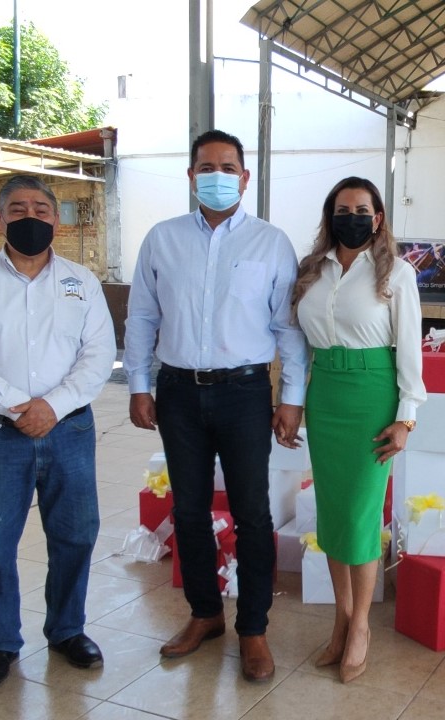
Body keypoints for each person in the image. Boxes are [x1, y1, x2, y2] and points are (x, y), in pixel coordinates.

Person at [124, 129, 309, 682]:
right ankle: (205, 614)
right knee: (189, 510)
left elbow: (288, 327)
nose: (218, 176)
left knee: (252, 513)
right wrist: (139, 384)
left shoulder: (270, 243)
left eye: (229, 168)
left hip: (245, 393)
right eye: (207, 167)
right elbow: (142, 317)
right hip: (178, 392)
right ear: (191, 176)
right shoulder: (162, 239)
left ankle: (253, 628)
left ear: (245, 178)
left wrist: (291, 398)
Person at [0, 174, 116, 691]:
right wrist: (17, 406)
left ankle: (67, 630)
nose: (31, 218)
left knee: (75, 536)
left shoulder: (82, 281)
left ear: (56, 219)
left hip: (69, 430)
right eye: (18, 209)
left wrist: (52, 407)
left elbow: (98, 355)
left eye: (41, 209)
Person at [292, 176, 426, 683]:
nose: (352, 217)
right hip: (325, 393)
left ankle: (362, 626)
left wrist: (406, 417)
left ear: (378, 217)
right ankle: (341, 621)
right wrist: (290, 399)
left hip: (372, 397)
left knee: (361, 515)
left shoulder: (397, 273)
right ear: (330, 216)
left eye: (362, 210)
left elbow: (409, 350)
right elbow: (298, 342)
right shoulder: (312, 270)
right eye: (342, 209)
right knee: (333, 515)